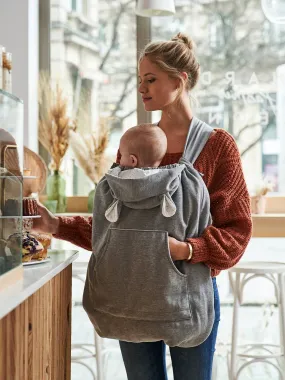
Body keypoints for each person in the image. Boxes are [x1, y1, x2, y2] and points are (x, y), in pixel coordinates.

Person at [33, 32, 252, 380]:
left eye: (151, 79)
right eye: (140, 80)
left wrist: (185, 250)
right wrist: (55, 225)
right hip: (132, 293)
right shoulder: (137, 143)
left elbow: (237, 233)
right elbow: (116, 230)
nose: (142, 88)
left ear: (180, 80)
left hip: (189, 298)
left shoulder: (217, 146)